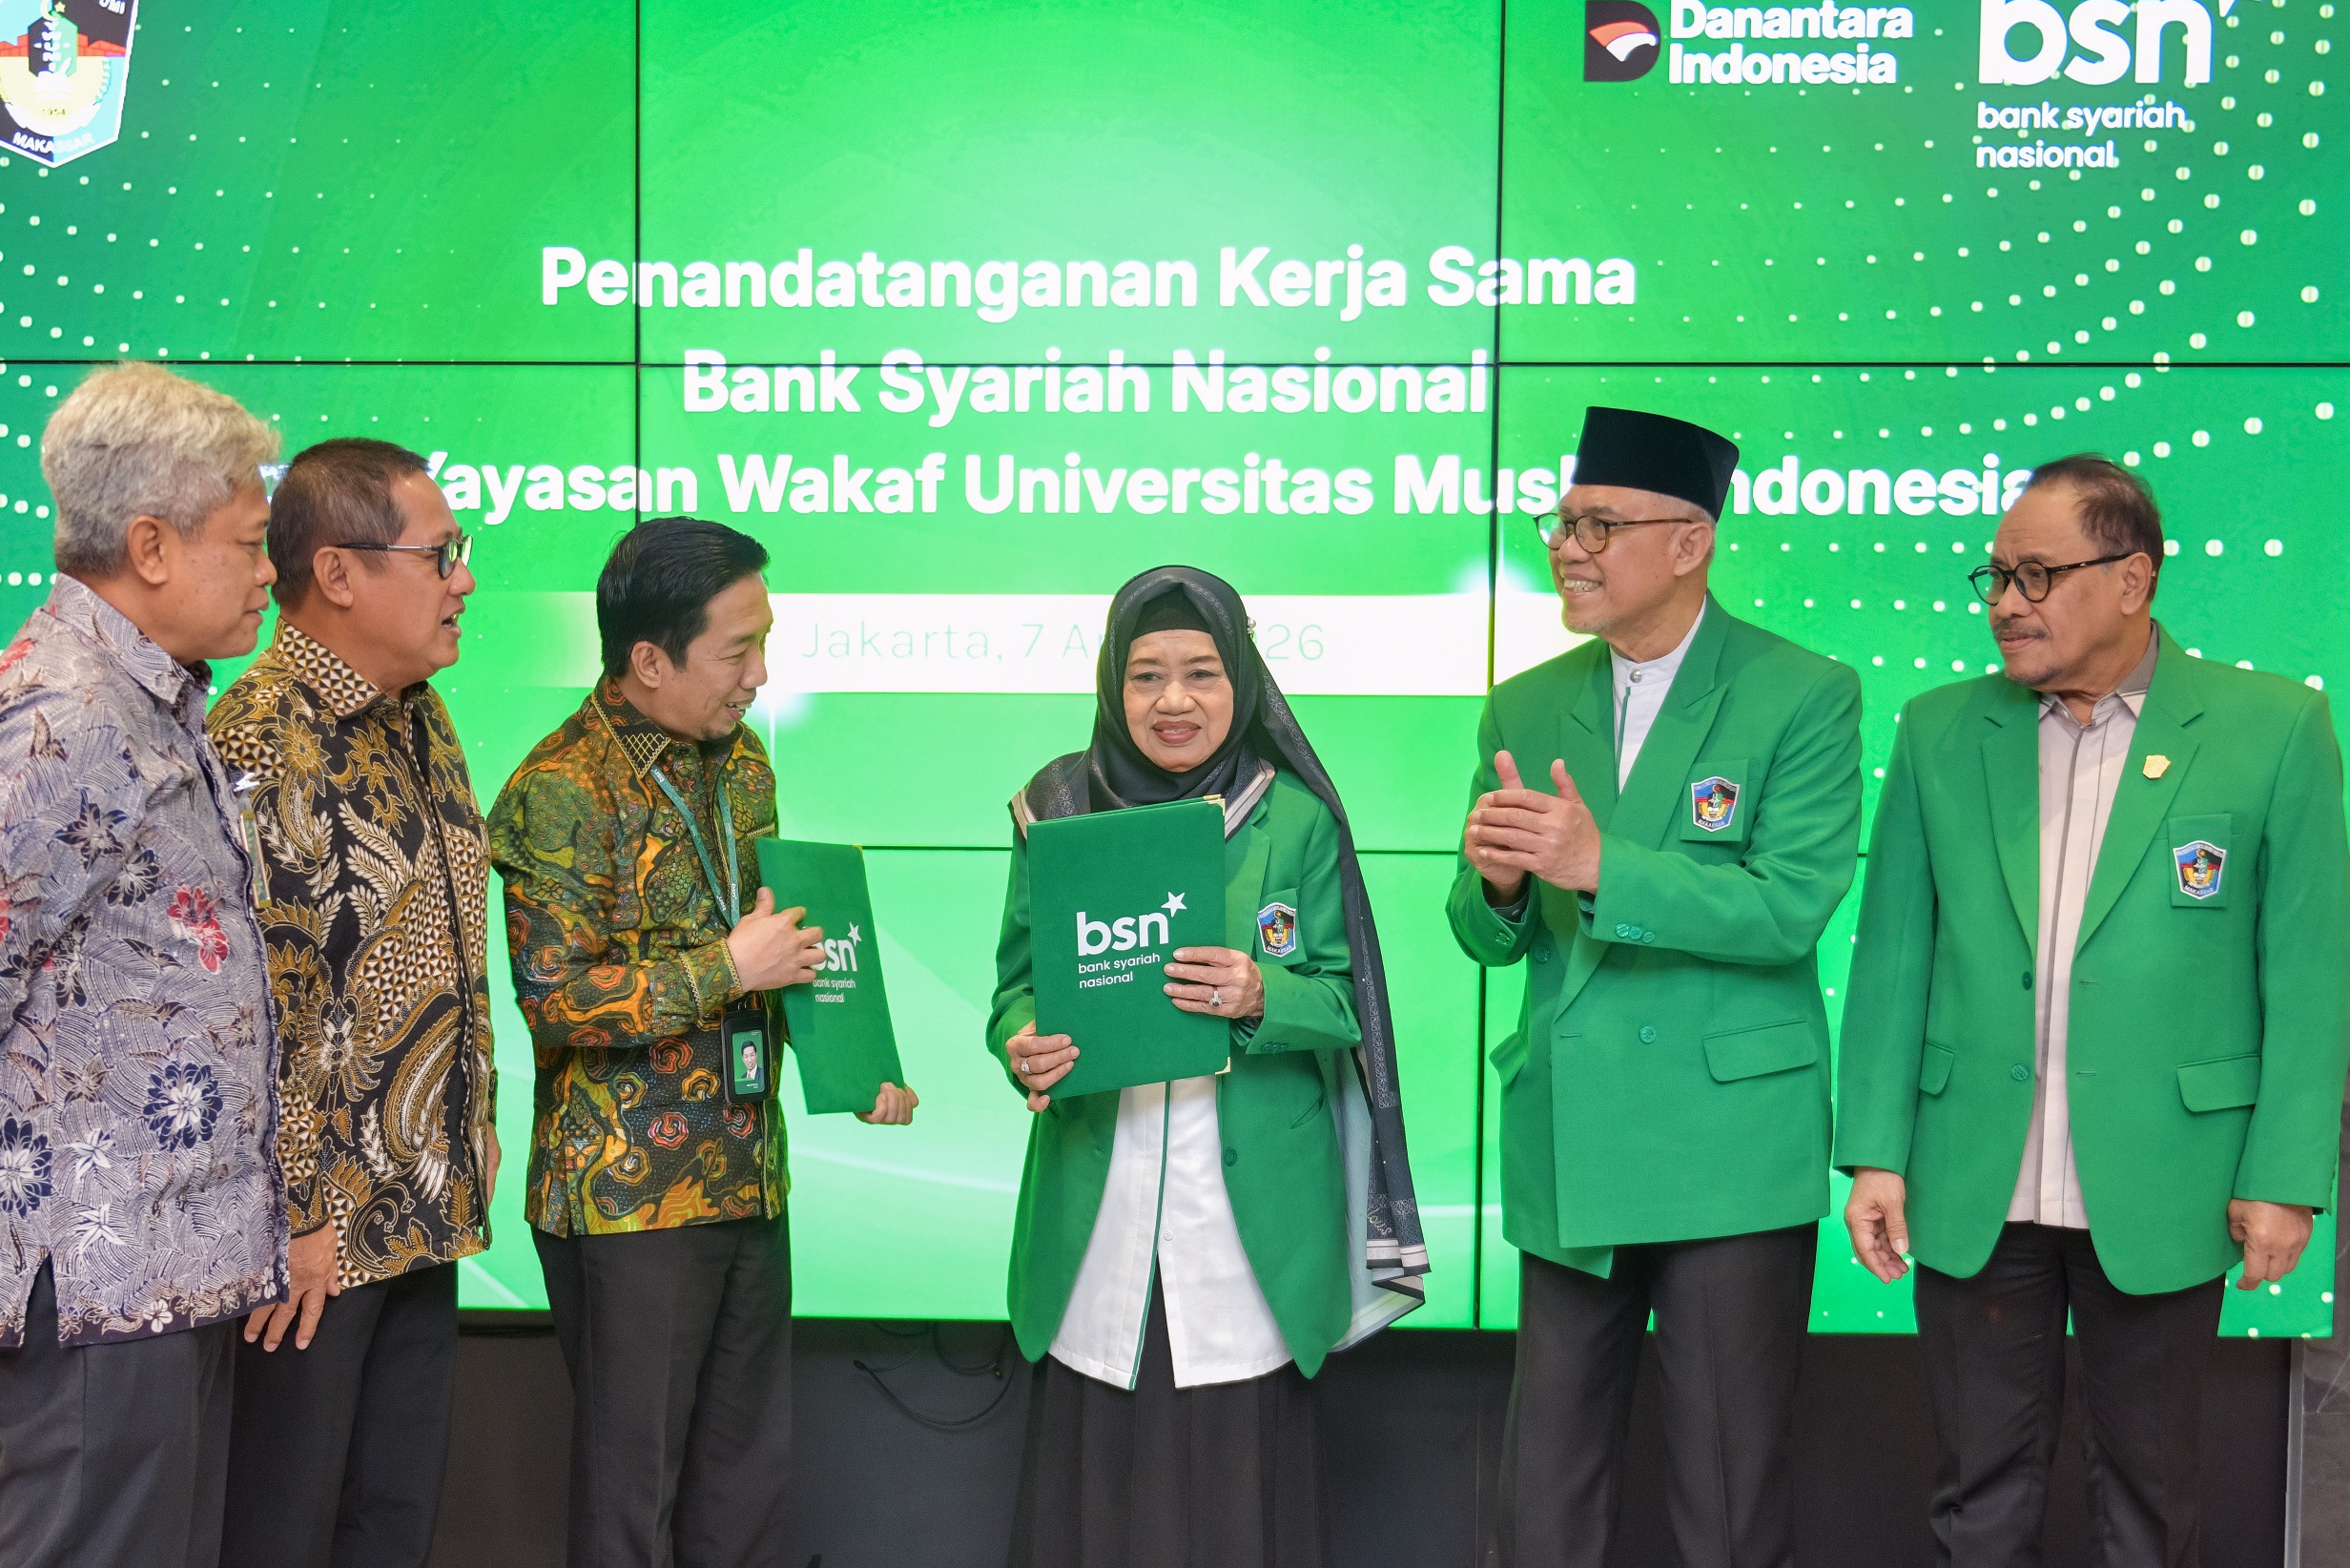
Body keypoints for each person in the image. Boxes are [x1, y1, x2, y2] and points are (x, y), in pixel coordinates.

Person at [1836, 455, 2350, 1565]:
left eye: (2036, 573)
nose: (2004, 602)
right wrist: (1875, 1151)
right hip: (1975, 1175)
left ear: (2131, 578)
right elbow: (1892, 958)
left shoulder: (2273, 726)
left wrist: (2284, 1174)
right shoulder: (1937, 729)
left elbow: (2308, 976)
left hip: (2170, 1175)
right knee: (1976, 1495)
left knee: (2150, 1500)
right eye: (1995, 575)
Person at [1453, 406, 1864, 1568]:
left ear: (1690, 542)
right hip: (1571, 1129)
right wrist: (1496, 885)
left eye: (1599, 525)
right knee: (1546, 1491)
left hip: (1727, 1142)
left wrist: (1600, 865)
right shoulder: (1524, 701)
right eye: (1559, 524)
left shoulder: (1802, 690)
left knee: (1726, 1492)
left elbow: (1789, 906)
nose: (1566, 550)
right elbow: (1485, 935)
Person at [0, 362, 288, 1568]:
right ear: (151, 545)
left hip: (161, 1266)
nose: (270, 571)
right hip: (89, 1274)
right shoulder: (62, 717)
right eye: (251, 542)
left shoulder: (146, 698)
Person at [488, 516, 917, 1568]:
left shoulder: (745, 762)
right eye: (737, 650)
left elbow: (781, 938)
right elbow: (555, 999)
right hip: (629, 1199)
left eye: (763, 642)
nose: (759, 674)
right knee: (633, 1498)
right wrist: (726, 965)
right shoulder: (562, 787)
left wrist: (855, 1061)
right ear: (649, 659)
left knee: (746, 1487)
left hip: (748, 1174)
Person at [995, 566, 1429, 1568]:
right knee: (1094, 1492)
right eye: (1145, 674)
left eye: (1201, 672)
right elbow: (1014, 990)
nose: (1173, 700)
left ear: (1242, 679)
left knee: (1240, 1496)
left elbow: (1347, 1001)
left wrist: (1259, 991)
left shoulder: (1297, 818)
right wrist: (1022, 1041)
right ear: (1113, 683)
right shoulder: (1054, 806)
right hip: (1094, 1197)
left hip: (1248, 1211)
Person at [207, 439, 495, 1568]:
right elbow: (265, 1005)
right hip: (313, 1236)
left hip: (423, 1203)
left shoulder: (419, 712)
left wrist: (469, 1127)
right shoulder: (260, 737)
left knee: (392, 1525)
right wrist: (298, 1214)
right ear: (336, 571)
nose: (463, 578)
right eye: (440, 554)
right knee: (281, 1528)